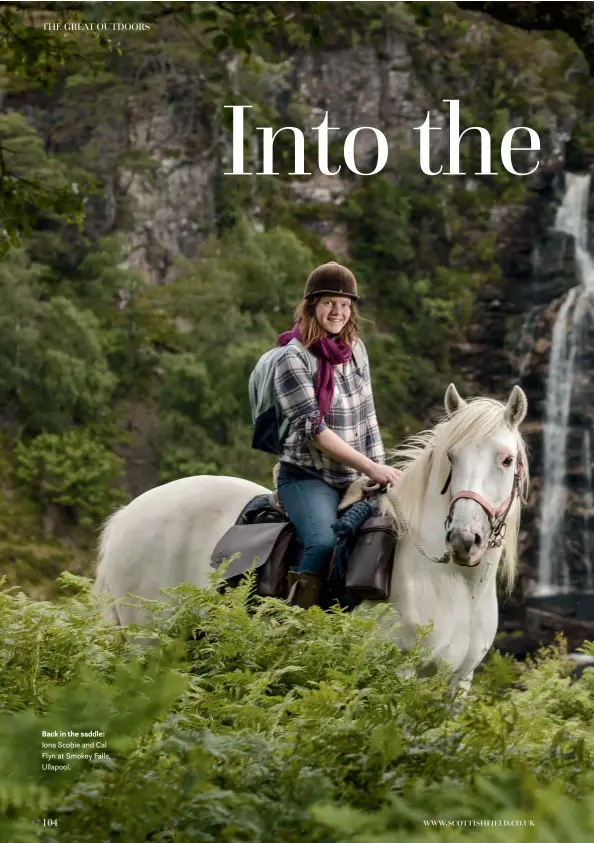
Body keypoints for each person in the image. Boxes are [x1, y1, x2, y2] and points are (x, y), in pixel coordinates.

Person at [273, 261, 400, 610]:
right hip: (308, 476)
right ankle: (295, 626)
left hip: (356, 474)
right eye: (330, 302)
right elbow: (315, 431)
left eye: (345, 304)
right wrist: (370, 469)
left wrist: (380, 469)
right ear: (312, 305)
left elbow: (367, 415)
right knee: (324, 543)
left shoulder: (355, 350)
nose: (338, 312)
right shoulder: (292, 358)